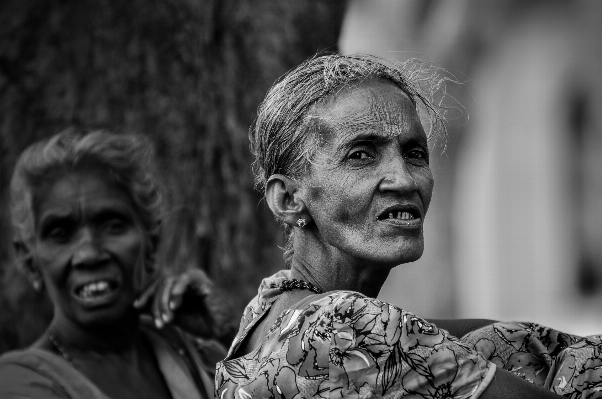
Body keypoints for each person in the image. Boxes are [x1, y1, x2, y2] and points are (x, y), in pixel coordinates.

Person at [213, 54, 602, 398]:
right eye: (362, 154)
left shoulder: (266, 314)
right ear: (287, 199)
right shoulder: (343, 327)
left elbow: (511, 344)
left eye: (415, 153)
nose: (404, 179)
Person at [0, 130, 226, 399]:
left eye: (113, 225)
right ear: (30, 261)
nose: (89, 254)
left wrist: (233, 334)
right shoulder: (18, 384)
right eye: (61, 234)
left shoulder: (195, 357)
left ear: (151, 242)